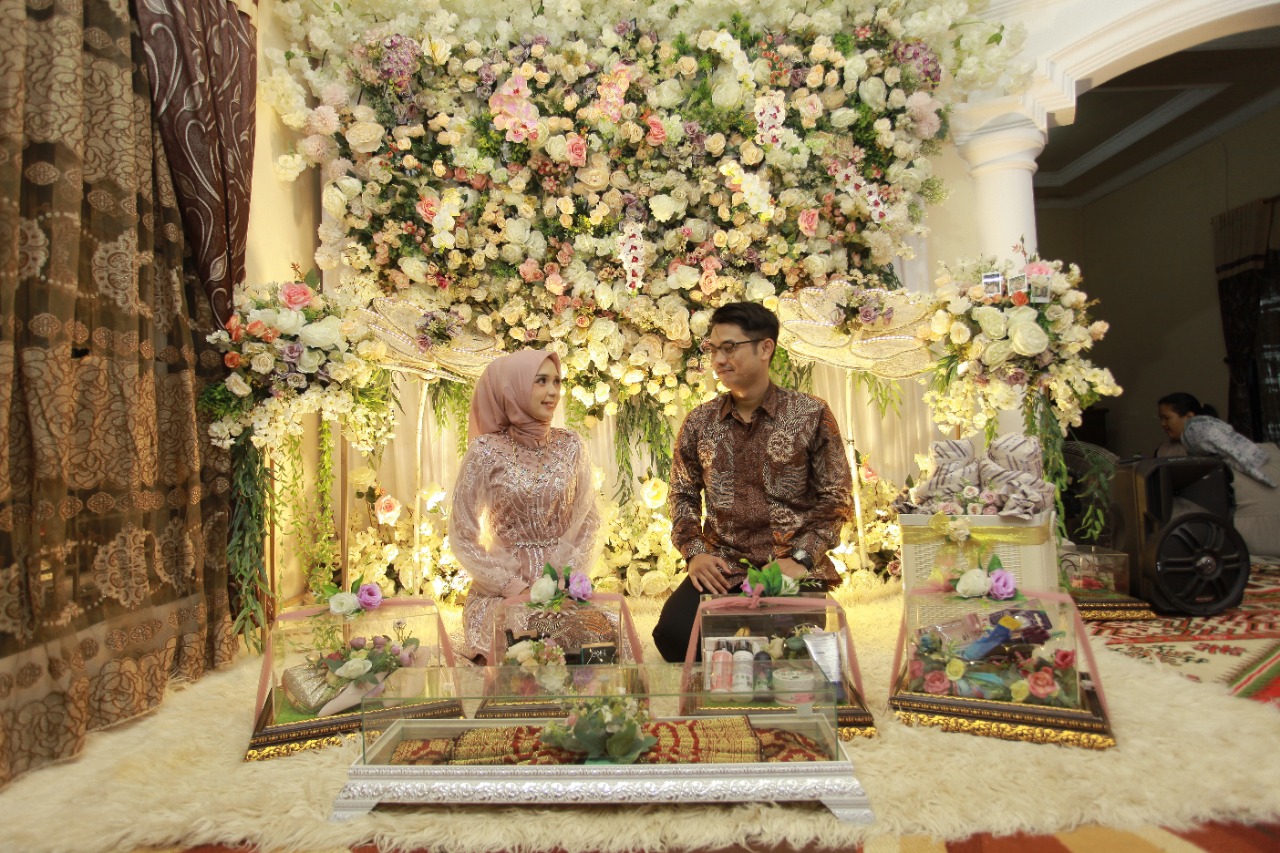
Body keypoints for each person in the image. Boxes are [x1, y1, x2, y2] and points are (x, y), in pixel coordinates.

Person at [652, 302, 854, 662]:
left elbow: (835, 498)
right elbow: (683, 494)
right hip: (723, 565)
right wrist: (695, 553)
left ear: (765, 348)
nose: (719, 359)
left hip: (788, 565)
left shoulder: (811, 414)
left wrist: (801, 559)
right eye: (714, 348)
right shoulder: (700, 422)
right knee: (674, 638)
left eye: (730, 347)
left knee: (790, 652)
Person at [450, 349, 601, 662]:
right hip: (503, 591)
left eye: (557, 381)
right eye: (541, 381)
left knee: (599, 638)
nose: (553, 391)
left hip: (561, 587)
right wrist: (515, 587)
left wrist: (564, 581)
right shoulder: (485, 451)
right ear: (513, 388)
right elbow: (463, 535)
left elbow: (589, 521)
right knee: (526, 647)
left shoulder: (571, 445)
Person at [1156, 391, 1280, 557]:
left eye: (1166, 418)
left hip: (1250, 548)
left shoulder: (1212, 470)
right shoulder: (1268, 451)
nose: (1163, 424)